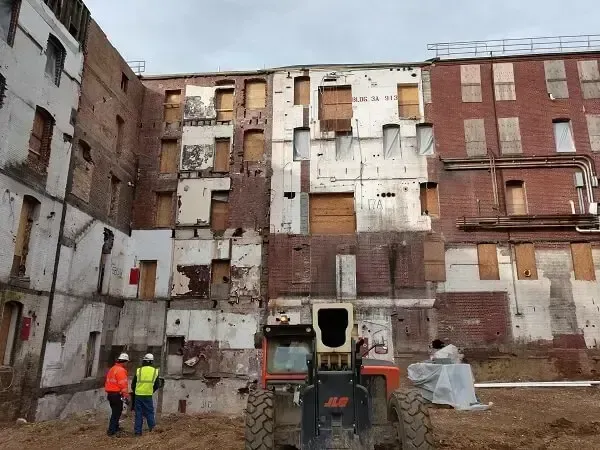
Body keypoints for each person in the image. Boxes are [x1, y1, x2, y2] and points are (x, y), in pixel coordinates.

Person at [131, 353, 161, 436]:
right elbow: (157, 385)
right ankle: (153, 431)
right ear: (151, 361)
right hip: (148, 395)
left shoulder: (139, 370)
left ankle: (137, 433)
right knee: (149, 413)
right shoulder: (155, 371)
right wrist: (151, 391)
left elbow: (133, 384)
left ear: (144, 361)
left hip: (138, 395)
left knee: (138, 414)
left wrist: (136, 391)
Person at [105, 352, 130, 436]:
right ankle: (112, 431)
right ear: (125, 361)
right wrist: (126, 396)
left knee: (115, 412)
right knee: (116, 413)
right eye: (127, 362)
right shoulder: (121, 370)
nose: (127, 364)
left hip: (110, 394)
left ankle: (115, 427)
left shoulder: (112, 368)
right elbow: (123, 384)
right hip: (116, 394)